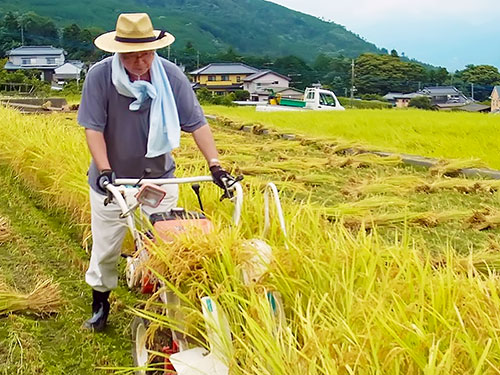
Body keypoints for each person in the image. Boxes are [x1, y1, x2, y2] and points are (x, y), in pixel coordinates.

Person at [77, 12, 234, 332]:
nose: (139, 62)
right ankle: (100, 304)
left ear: (155, 49)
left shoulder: (171, 76)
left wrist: (216, 166)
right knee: (107, 248)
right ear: (118, 52)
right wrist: (105, 172)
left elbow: (197, 124)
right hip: (114, 183)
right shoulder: (100, 77)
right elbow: (93, 129)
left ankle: (162, 309)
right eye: (132, 55)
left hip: (160, 178)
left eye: (146, 54)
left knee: (165, 248)